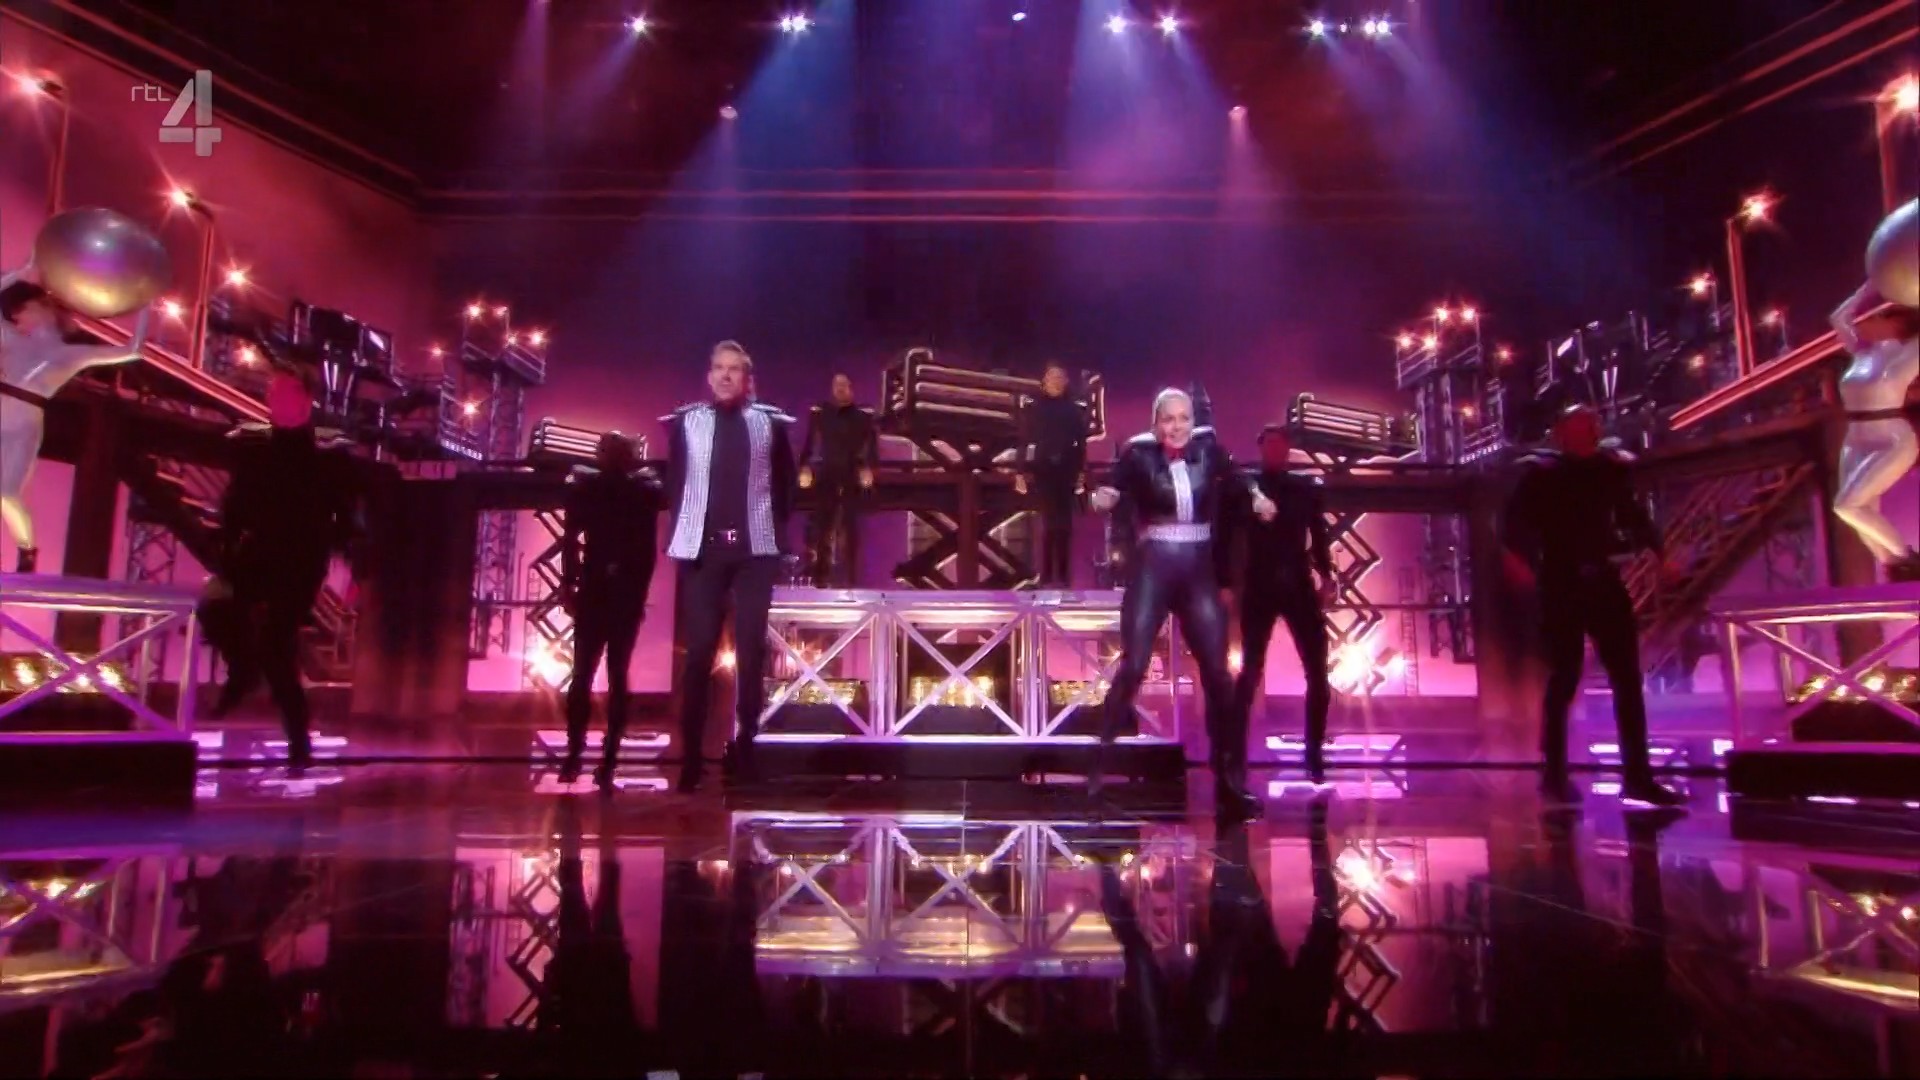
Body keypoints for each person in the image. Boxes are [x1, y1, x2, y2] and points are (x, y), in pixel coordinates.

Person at [1089, 389, 1276, 817]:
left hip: (1196, 569)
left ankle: (1228, 780)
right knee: (1134, 665)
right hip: (1155, 564)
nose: (1176, 427)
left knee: (1218, 674)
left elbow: (1240, 476)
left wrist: (1257, 497)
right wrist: (1103, 498)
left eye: (1183, 419)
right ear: (1156, 423)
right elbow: (1110, 487)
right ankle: (1098, 766)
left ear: (1193, 421)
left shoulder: (1208, 449)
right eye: (1168, 419)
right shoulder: (1138, 455)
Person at [1501, 405, 1683, 807]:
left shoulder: (1608, 470)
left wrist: (1660, 554)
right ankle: (1554, 776)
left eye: (1592, 426)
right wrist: (1516, 561)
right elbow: (1512, 524)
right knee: (1564, 677)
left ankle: (1637, 778)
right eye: (1581, 426)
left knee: (1626, 679)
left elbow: (1633, 516)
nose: (1589, 432)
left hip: (1603, 580)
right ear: (1563, 433)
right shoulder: (1542, 474)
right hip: (1561, 583)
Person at [204, 370, 360, 771]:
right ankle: (244, 672)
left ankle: (296, 737)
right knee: (215, 607)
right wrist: (229, 540)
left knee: (276, 645)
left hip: (300, 560)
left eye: (283, 395)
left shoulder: (326, 452)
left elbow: (344, 511)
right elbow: (236, 500)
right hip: (260, 553)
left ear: (305, 401)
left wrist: (352, 562)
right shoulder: (256, 447)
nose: (274, 402)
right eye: (272, 395)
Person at [663, 341, 797, 792]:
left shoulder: (769, 424)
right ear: (709, 375)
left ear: (747, 378)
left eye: (733, 369)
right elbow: (675, 481)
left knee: (751, 649)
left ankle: (747, 747)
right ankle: (691, 758)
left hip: (755, 552)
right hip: (702, 552)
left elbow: (786, 485)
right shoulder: (687, 422)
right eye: (718, 368)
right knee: (699, 651)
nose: (724, 376)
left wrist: (774, 531)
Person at [1, 256, 152, 573]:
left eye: (23, 308)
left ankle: (27, 550)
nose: (16, 316)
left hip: (26, 423)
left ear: (44, 309)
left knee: (7, 494)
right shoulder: (13, 339)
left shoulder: (73, 355)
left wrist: (146, 304)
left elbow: (132, 350)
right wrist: (19, 273)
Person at [1228, 423, 1337, 783]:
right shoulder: (1249, 487)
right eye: (1270, 445)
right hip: (1260, 584)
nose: (1275, 451)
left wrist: (1326, 574)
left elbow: (1318, 533)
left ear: (1287, 449)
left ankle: (1314, 753)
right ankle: (1235, 753)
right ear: (1262, 448)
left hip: (1297, 583)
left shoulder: (1303, 489)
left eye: (1280, 445)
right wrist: (1226, 581)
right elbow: (1229, 533)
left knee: (1317, 670)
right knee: (1250, 671)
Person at [557, 431, 664, 787]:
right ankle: (607, 758)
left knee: (583, 674)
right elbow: (646, 553)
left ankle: (575, 755)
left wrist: (568, 585)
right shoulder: (642, 494)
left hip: (596, 590)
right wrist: (638, 592)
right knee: (615, 675)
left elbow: (571, 541)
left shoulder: (588, 490)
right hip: (622, 595)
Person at [1828, 285, 1920, 578]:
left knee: (1847, 506)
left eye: (1873, 317)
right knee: (1862, 517)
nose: (1863, 321)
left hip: (1891, 439)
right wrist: (1872, 285)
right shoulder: (1861, 352)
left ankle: (1908, 560)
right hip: (1855, 440)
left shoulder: (1907, 355)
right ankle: (1894, 568)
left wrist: (1904, 286)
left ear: (1892, 322)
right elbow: (1839, 317)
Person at [798, 371, 878, 588]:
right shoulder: (821, 415)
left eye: (844, 385)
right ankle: (821, 577)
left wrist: (867, 468)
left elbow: (870, 447)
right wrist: (805, 467)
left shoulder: (863, 418)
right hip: (826, 476)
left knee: (850, 529)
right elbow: (811, 444)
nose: (840, 389)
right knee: (822, 527)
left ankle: (850, 578)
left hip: (851, 476)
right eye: (837, 385)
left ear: (851, 388)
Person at [1016, 362, 1089, 587]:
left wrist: (1081, 471)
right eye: (1052, 377)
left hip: (1066, 470)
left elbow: (1081, 444)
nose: (1056, 382)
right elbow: (1024, 441)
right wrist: (1020, 471)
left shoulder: (1073, 411)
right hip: (1043, 470)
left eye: (1060, 378)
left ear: (1066, 382)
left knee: (1065, 525)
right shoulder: (1035, 409)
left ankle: (1064, 576)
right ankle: (1047, 575)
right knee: (1049, 523)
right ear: (1044, 382)